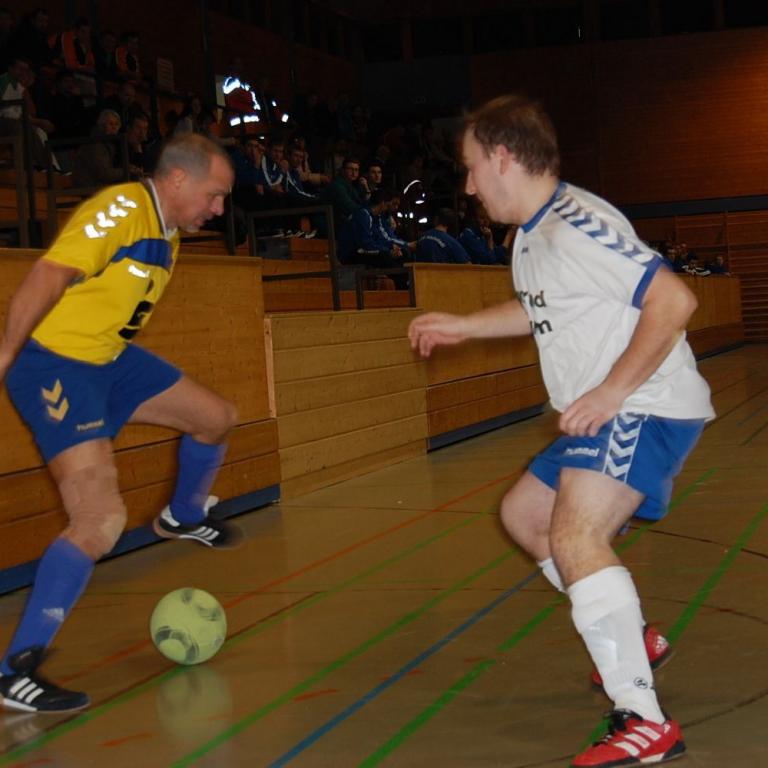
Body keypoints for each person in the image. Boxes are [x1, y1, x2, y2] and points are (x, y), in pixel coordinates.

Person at [408, 94, 714, 768]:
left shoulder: (577, 225)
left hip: (644, 403)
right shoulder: (531, 235)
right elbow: (540, 309)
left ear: (502, 157)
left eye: (470, 167)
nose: (468, 185)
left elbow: (674, 299)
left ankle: (644, 720)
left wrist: (611, 391)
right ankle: (633, 639)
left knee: (575, 535)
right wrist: (463, 326)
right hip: (608, 408)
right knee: (525, 516)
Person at [0, 133, 238, 714]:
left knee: (216, 419)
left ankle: (183, 516)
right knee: (100, 519)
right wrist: (6, 351)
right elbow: (50, 273)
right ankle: (13, 671)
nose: (219, 209)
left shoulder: (167, 231)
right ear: (177, 179)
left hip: (109, 361)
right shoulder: (123, 209)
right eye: (214, 195)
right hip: (55, 366)